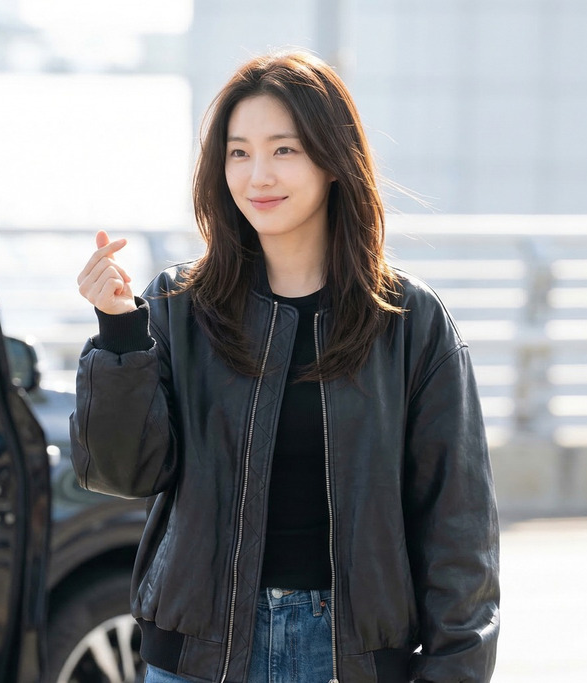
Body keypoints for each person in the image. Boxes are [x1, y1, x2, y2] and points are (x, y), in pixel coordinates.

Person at [70, 50, 499, 683]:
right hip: (199, 662)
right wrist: (119, 333)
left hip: (351, 662)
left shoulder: (409, 321)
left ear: (332, 160)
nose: (257, 175)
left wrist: (454, 672)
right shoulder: (179, 308)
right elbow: (118, 471)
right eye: (238, 152)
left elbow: (458, 530)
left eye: (284, 150)